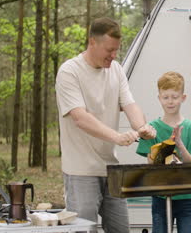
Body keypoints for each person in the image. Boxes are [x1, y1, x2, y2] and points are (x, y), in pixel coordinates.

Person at [55, 17, 156, 233]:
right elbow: (80, 117)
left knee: (121, 229)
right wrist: (117, 137)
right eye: (109, 50)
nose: (113, 55)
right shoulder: (69, 72)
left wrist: (142, 128)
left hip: (111, 169)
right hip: (81, 171)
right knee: (84, 230)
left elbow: (129, 104)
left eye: (116, 50)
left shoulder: (116, 70)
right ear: (93, 42)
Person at [136, 71, 191, 233]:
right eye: (166, 97)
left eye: (175, 97)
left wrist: (179, 144)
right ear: (159, 98)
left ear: (183, 98)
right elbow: (151, 163)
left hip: (187, 197)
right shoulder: (151, 129)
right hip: (160, 196)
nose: (170, 101)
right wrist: (166, 149)